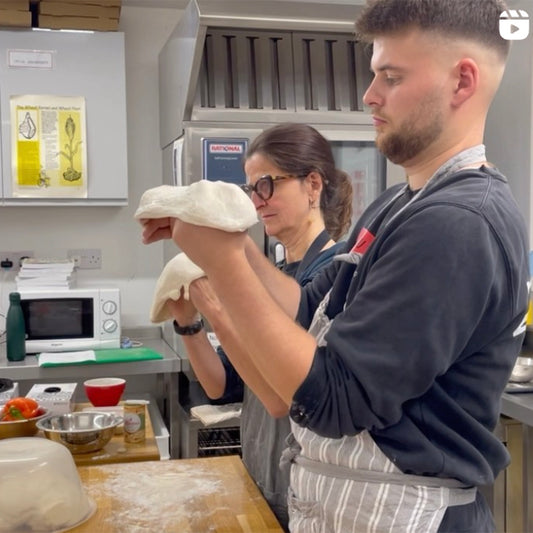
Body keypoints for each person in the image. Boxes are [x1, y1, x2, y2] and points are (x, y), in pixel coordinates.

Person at [141, 1, 530, 531]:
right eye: (374, 76)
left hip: (407, 515)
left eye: (390, 77)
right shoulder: (397, 204)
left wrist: (224, 264)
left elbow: (336, 400)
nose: (369, 96)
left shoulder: (459, 222)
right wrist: (234, 240)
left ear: (462, 81)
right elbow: (304, 309)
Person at [165, 122, 353, 530]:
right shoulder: (273, 274)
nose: (256, 202)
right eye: (252, 189)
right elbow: (220, 385)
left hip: (303, 490)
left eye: (267, 185)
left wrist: (218, 308)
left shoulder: (336, 275)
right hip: (260, 475)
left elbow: (281, 399)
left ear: (313, 185)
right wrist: (188, 321)